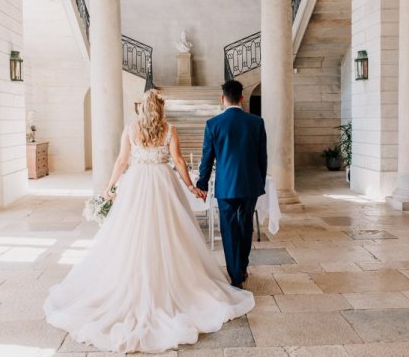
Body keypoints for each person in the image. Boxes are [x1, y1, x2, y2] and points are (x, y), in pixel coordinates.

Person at [44, 89, 254, 354]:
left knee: (131, 236)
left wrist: (110, 187)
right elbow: (178, 161)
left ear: (142, 108)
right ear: (161, 108)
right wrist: (190, 187)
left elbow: (121, 161)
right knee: (170, 234)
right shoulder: (169, 129)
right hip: (163, 183)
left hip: (136, 184)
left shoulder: (131, 130)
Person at [196, 80, 267, 289]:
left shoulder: (213, 124)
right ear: (242, 98)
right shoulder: (256, 122)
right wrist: (259, 181)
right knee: (245, 226)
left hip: (226, 186)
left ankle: (235, 275)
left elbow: (206, 159)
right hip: (250, 184)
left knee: (228, 230)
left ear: (222, 99)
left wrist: (202, 183)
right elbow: (262, 158)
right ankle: (242, 267)